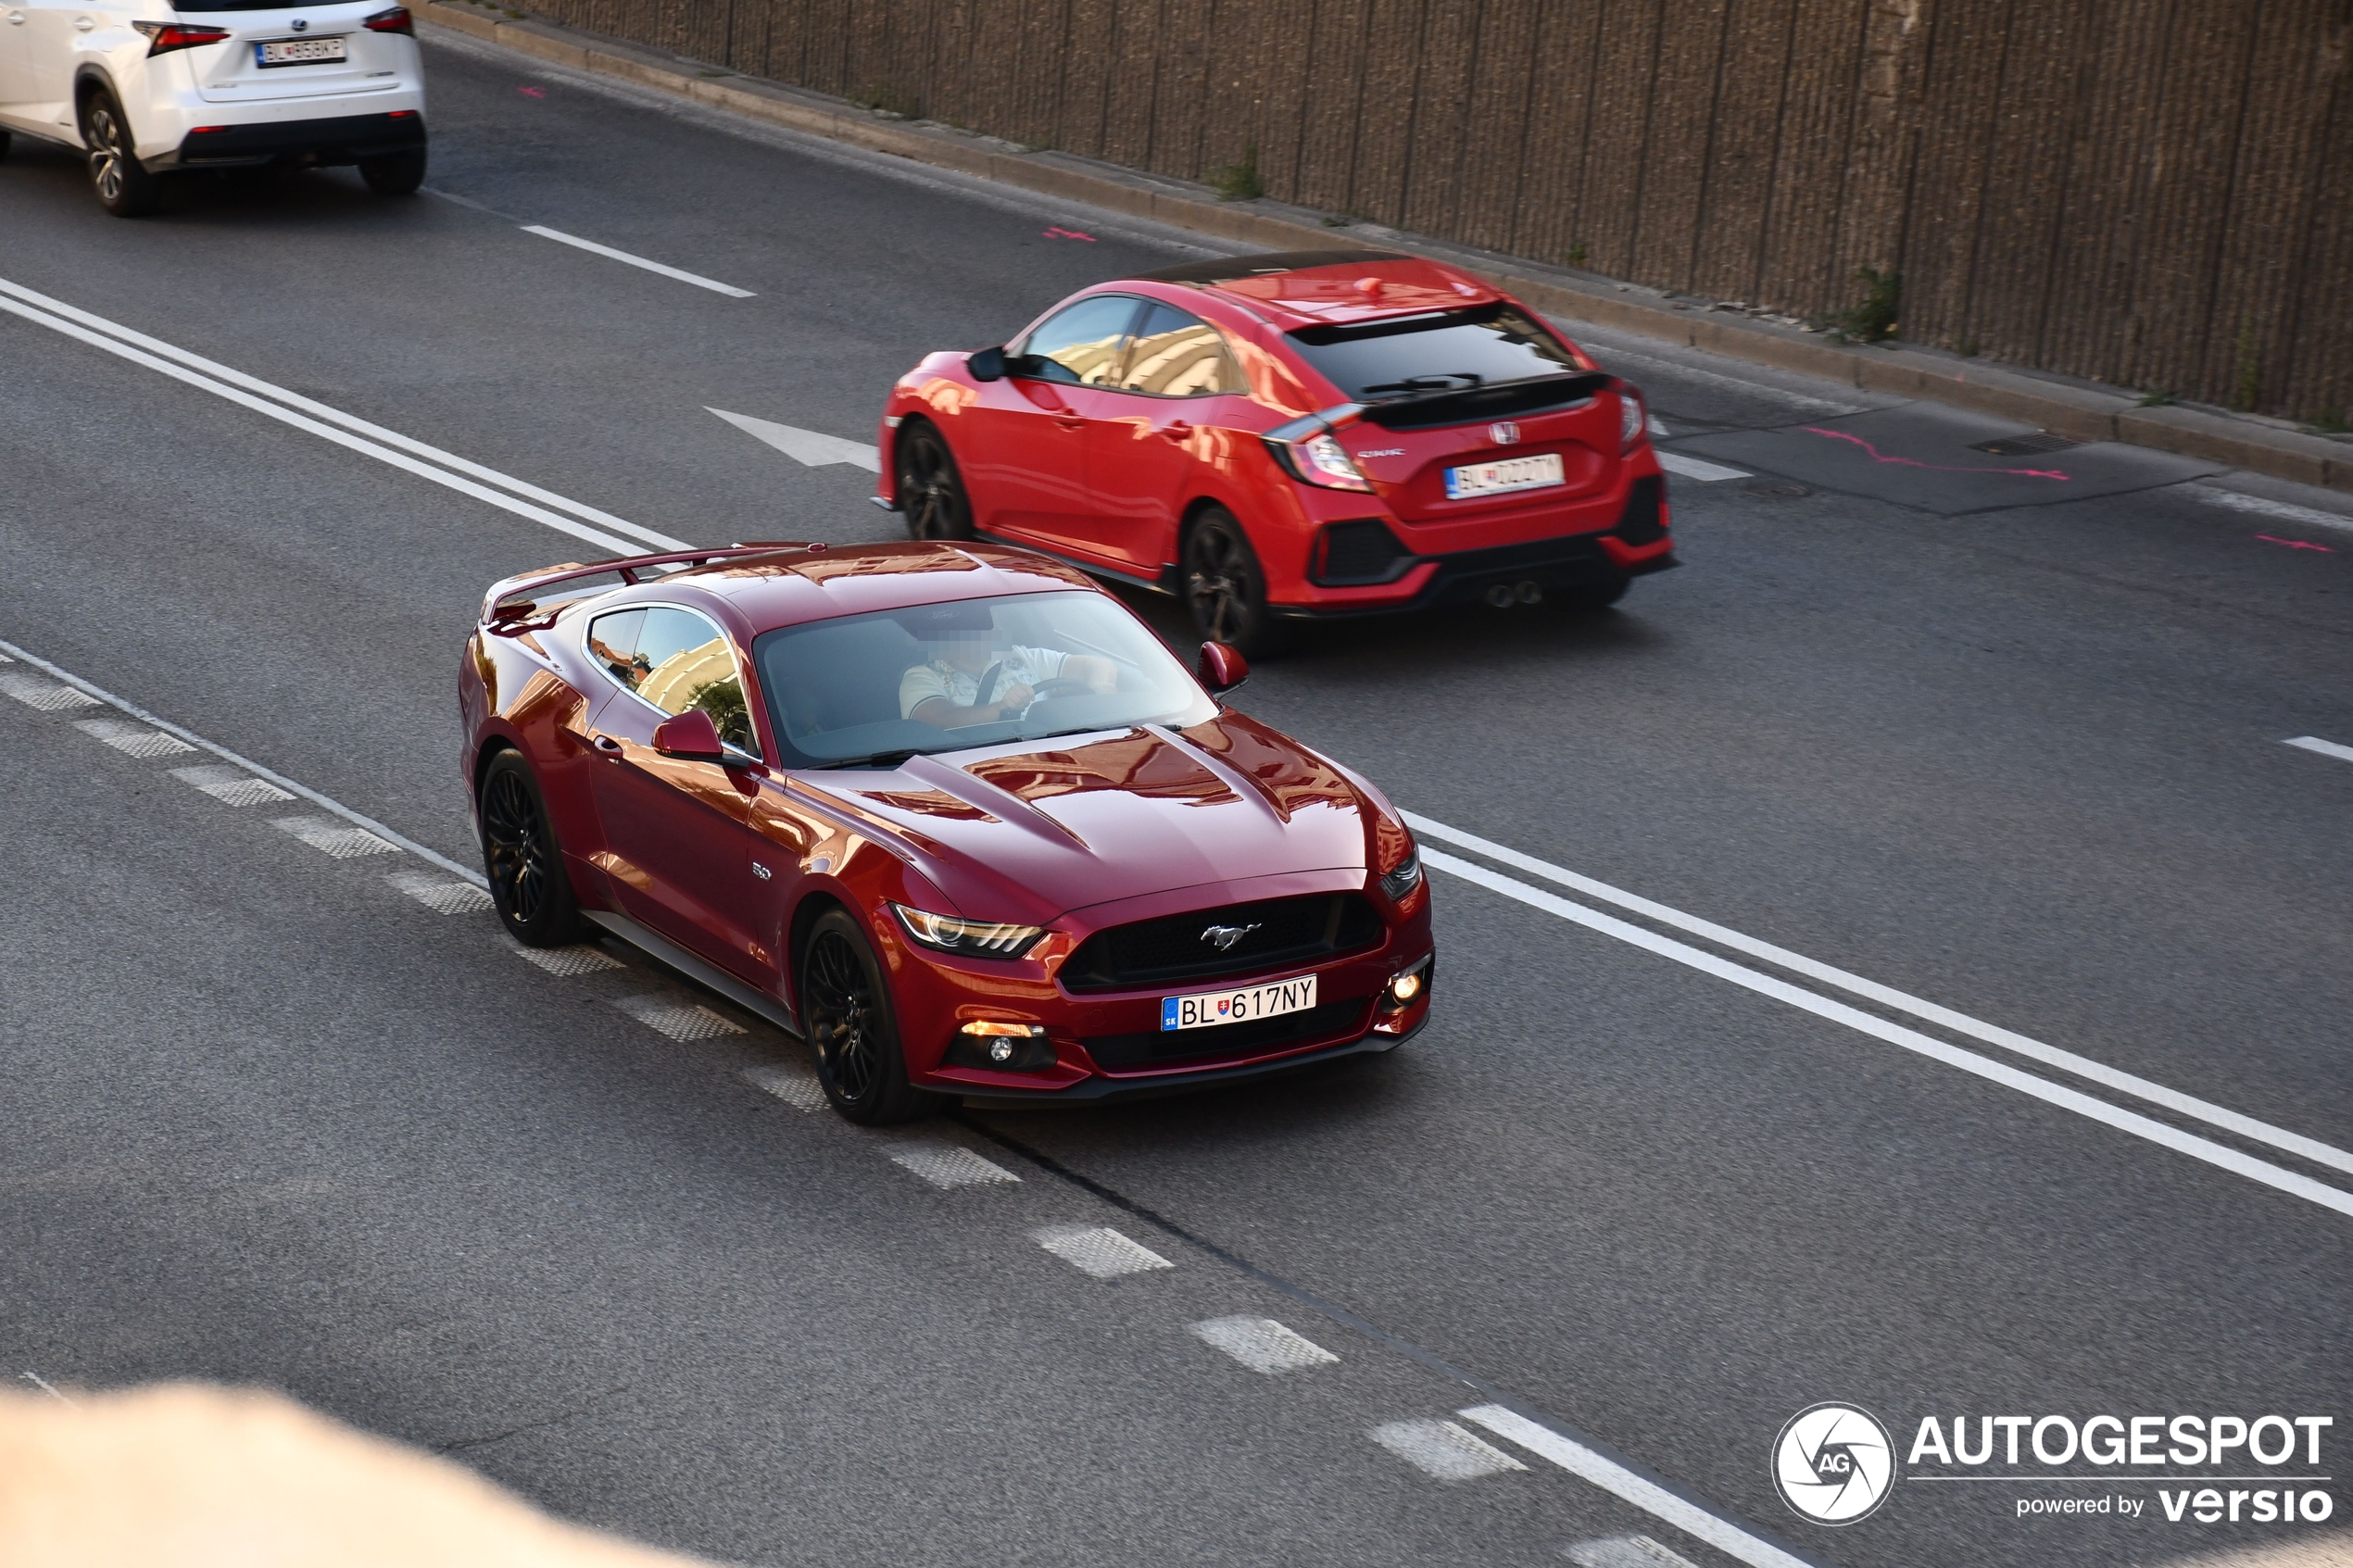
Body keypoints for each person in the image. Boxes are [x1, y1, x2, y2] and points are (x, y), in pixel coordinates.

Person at [900, 617, 1114, 728]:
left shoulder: (1023, 657)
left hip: (1052, 746)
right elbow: (939, 722)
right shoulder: (922, 676)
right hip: (972, 763)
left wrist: (1102, 688)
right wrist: (1002, 708)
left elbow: (1097, 665)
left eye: (982, 626)